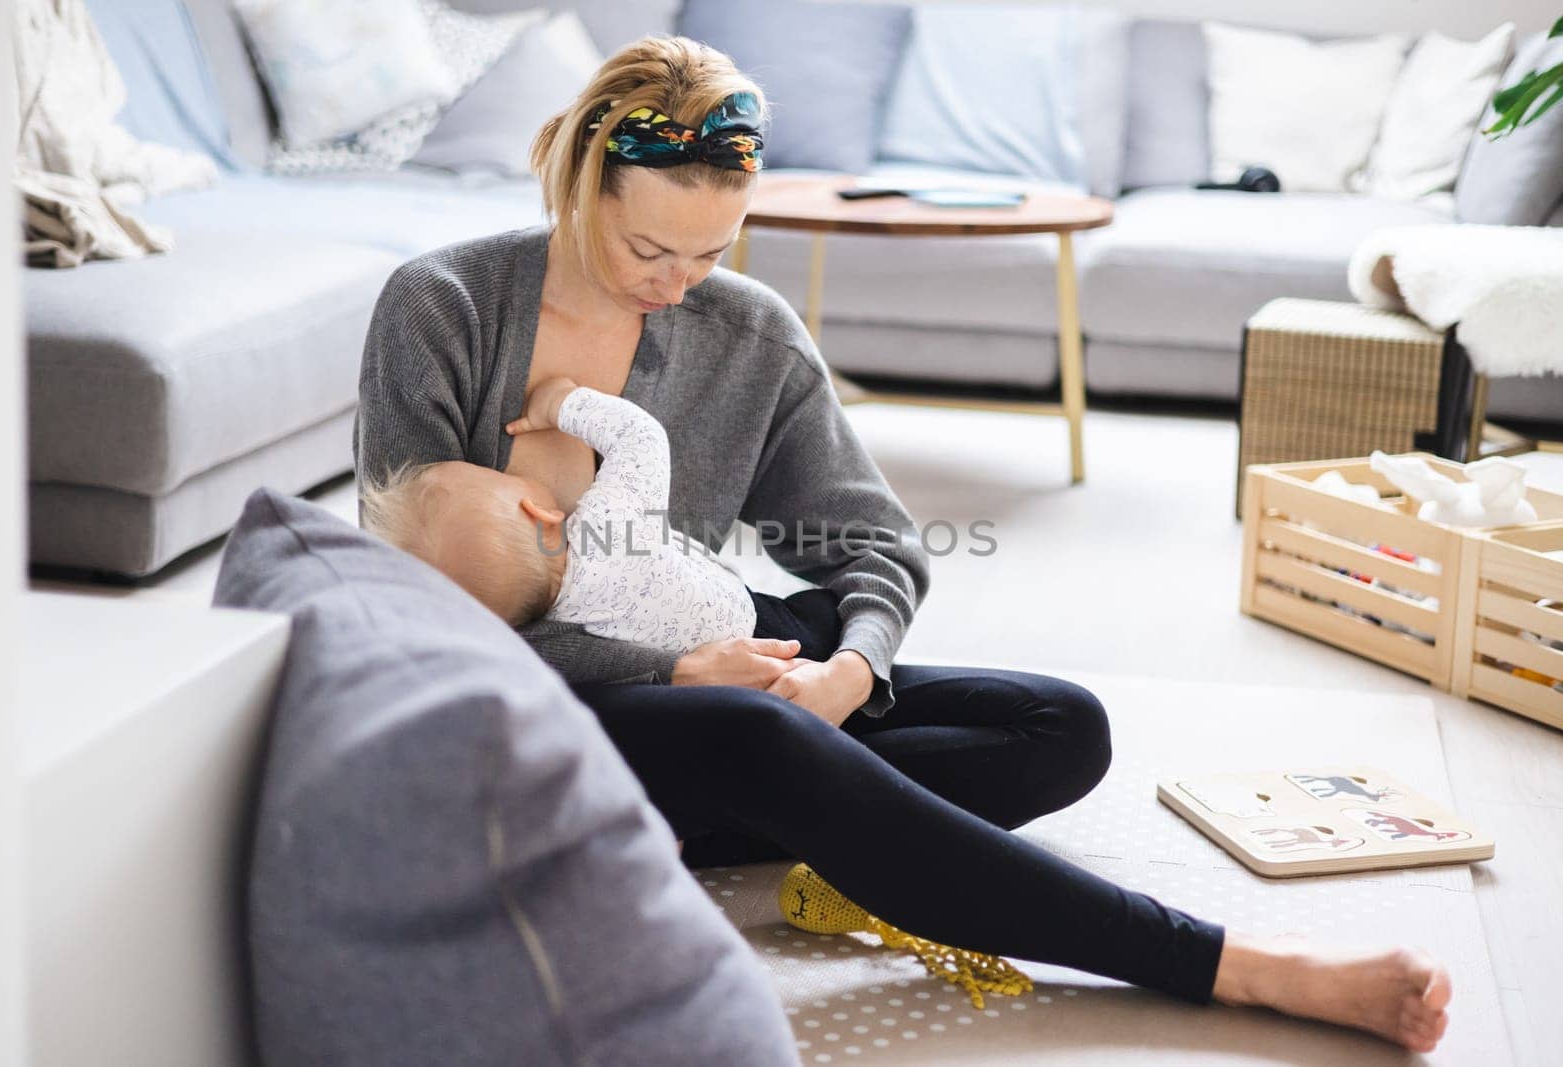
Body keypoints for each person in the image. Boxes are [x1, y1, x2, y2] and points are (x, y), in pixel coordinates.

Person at [352, 34, 1451, 1053]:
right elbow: (421, 610)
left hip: (727, 660)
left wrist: (850, 668)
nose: (676, 284)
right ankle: (1230, 964)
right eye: (648, 246)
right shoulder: (444, 307)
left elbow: (867, 540)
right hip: (544, 704)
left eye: (709, 251)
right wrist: (672, 671)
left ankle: (758, 817)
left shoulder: (745, 330)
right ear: (583, 178)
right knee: (749, 732)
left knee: (1058, 727)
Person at [358, 377, 845, 660]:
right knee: (832, 615)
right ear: (540, 514)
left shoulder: (557, 625)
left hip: (716, 685)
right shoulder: (605, 530)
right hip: (764, 626)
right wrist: (562, 403)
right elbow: (641, 438)